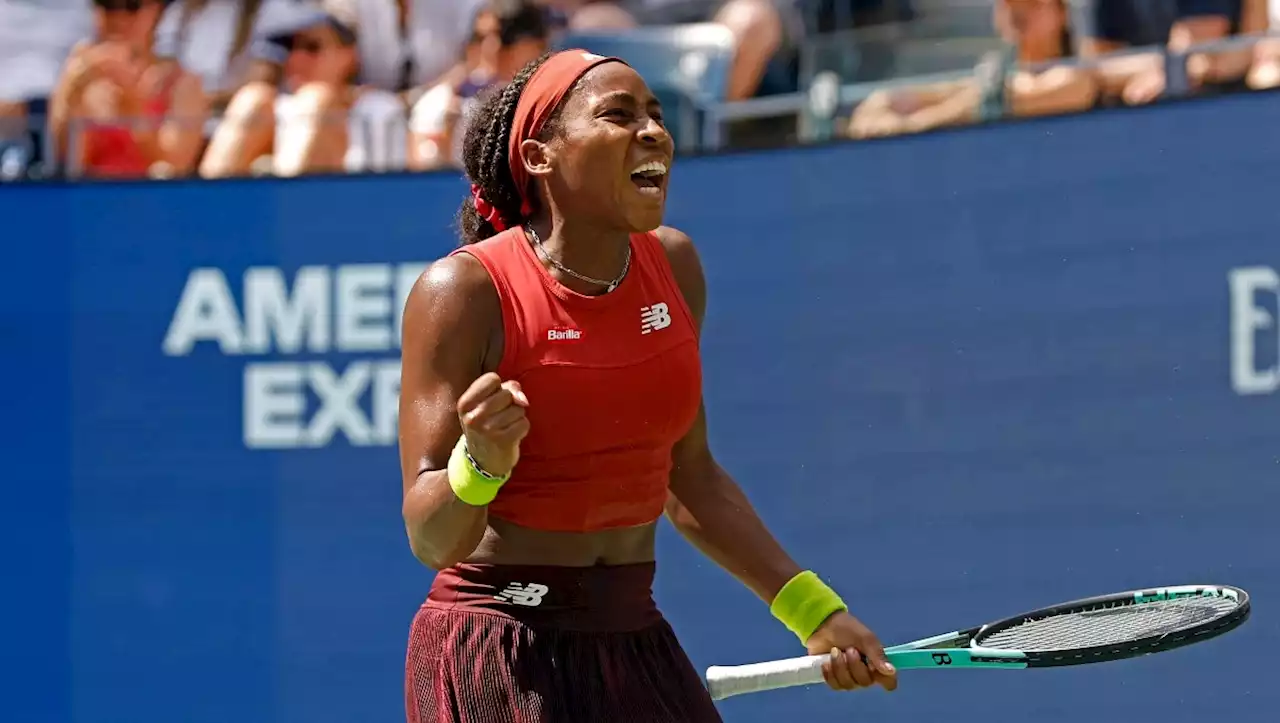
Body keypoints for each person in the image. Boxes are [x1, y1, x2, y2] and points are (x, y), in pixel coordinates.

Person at [398, 49, 898, 722]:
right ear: (543, 155)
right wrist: (479, 463)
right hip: (498, 643)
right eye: (618, 114)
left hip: (632, 630)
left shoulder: (676, 265)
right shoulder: (462, 291)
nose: (654, 131)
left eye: (657, 115)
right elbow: (432, 538)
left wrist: (815, 612)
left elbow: (689, 476)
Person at [849, 0, 1097, 139]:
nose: (1017, 11)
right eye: (1009, 4)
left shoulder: (1074, 77)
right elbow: (899, 100)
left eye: (1033, 3)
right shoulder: (995, 80)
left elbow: (991, 104)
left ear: (1061, 13)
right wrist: (881, 107)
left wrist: (910, 126)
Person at [49, 0, 208, 178]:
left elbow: (175, 168)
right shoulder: (80, 75)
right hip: (93, 199)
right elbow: (69, 163)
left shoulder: (181, 83)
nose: (119, 18)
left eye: (132, 6)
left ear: (157, 11)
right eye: (108, 6)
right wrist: (72, 94)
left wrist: (134, 114)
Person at [408, 0, 549, 170]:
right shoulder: (442, 101)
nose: (489, 47)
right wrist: (446, 142)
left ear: (533, 45)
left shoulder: (554, 99)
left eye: (501, 36)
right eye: (480, 37)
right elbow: (421, 179)